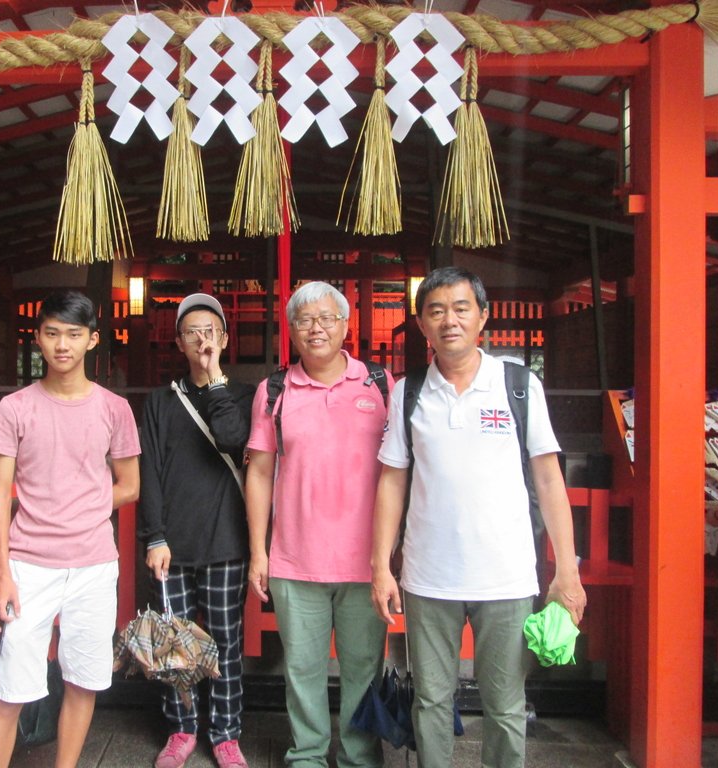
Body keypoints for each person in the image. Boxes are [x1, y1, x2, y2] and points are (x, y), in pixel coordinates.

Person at [371, 266, 587, 768]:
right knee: (429, 700)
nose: (450, 320)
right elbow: (392, 481)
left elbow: (550, 480)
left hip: (507, 578)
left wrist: (566, 573)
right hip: (429, 578)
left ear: (484, 316)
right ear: (422, 324)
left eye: (461, 307)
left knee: (507, 706)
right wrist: (382, 566)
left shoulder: (517, 384)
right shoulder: (408, 392)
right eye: (436, 311)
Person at [0, 290, 141, 768]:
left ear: (92, 340)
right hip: (28, 565)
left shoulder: (114, 409)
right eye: (52, 333)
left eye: (73, 334)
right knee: (9, 685)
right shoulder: (14, 408)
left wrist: (83, 505)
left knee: (83, 679)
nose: (62, 345)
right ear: (38, 338)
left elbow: (129, 486)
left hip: (94, 564)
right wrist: (2, 573)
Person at [245, 281, 392, 768]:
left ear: (346, 325)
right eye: (305, 320)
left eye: (327, 318)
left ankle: (357, 756)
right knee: (302, 669)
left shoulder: (380, 384)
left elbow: (401, 472)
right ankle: (306, 754)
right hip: (295, 559)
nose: (316, 328)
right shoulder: (274, 391)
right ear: (291, 330)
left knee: (362, 669)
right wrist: (259, 553)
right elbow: (261, 472)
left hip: (365, 563)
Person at [138, 293, 256, 768]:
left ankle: (226, 734)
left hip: (227, 541)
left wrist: (215, 382)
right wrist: (154, 536)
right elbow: (150, 471)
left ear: (225, 338)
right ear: (178, 341)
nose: (202, 340)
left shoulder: (244, 395)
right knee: (175, 645)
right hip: (173, 546)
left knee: (225, 641)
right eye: (192, 332)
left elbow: (231, 438)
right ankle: (182, 730)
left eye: (211, 331)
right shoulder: (160, 401)